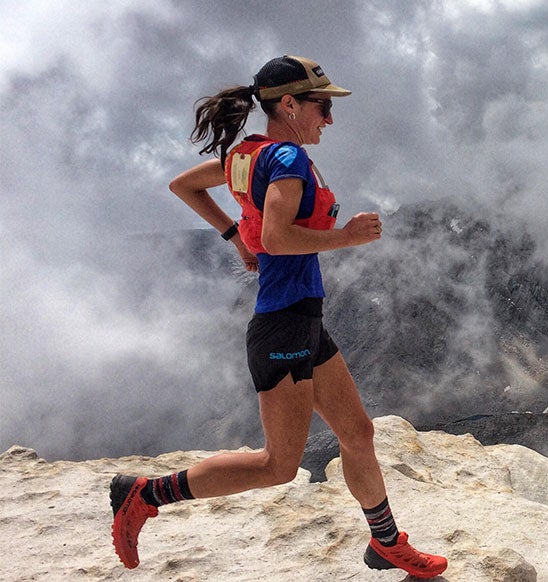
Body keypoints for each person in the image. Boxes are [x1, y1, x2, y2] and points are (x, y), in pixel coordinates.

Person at [109, 55, 447, 579]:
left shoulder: (248, 154)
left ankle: (385, 542)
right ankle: (145, 494)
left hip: (302, 321)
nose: (328, 119)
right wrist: (345, 237)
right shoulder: (285, 157)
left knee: (358, 433)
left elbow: (184, 186)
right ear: (288, 104)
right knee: (277, 465)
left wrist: (232, 239)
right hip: (284, 325)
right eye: (322, 106)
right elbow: (275, 237)